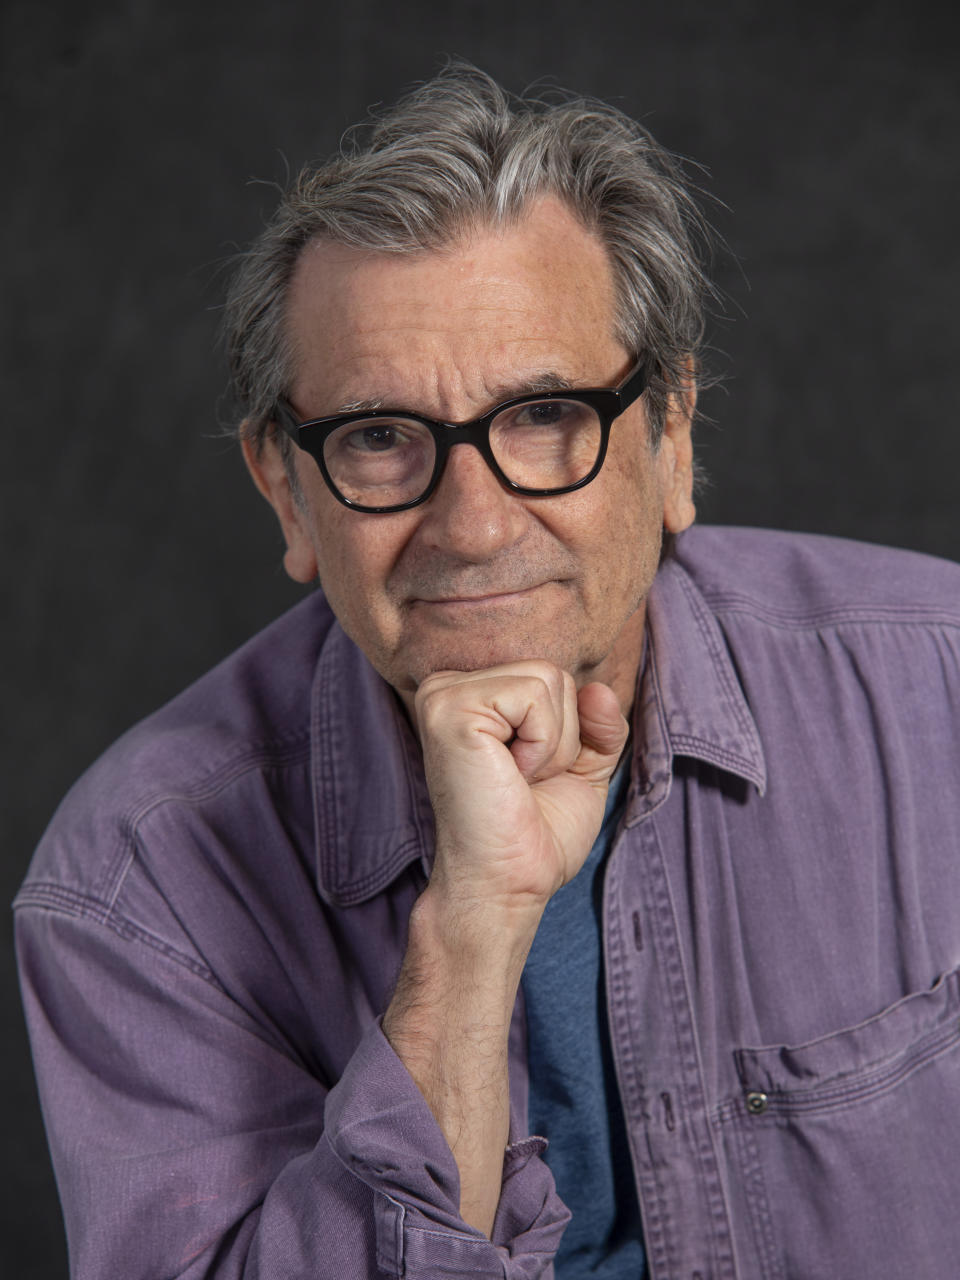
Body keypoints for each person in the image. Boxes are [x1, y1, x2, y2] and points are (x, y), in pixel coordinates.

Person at [15, 63, 960, 1280]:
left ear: (670, 435)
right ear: (286, 490)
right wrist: (469, 934)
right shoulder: (136, 891)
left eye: (545, 415)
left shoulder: (940, 698)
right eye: (378, 438)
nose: (472, 521)